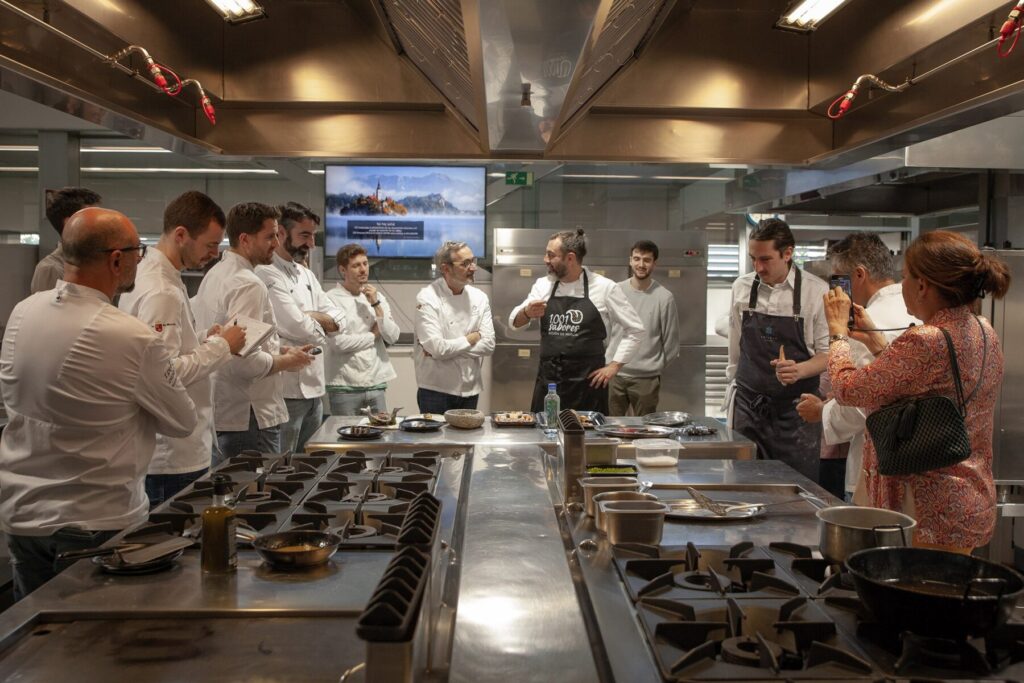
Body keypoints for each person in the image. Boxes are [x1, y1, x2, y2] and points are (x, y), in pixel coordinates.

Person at [0, 208, 197, 599]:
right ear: (116, 259)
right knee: (95, 650)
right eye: (137, 252)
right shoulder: (130, 337)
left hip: (22, 518)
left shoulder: (25, 311)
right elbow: (182, 421)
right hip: (96, 521)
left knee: (35, 650)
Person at [824, 231, 1008, 553]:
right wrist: (876, 343)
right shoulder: (984, 329)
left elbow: (848, 390)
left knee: (919, 599)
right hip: (969, 497)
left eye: (906, 277)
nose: (903, 285)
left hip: (925, 507)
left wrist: (838, 334)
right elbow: (928, 387)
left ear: (922, 285)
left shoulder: (927, 339)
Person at [119, 192, 246, 506]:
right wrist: (221, 346)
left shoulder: (157, 278)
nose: (215, 254)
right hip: (171, 455)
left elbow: (158, 352)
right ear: (180, 235)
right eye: (210, 245)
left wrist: (202, 337)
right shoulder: (161, 291)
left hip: (173, 446)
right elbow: (166, 372)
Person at [795, 233, 919, 501]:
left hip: (878, 469)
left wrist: (822, 412)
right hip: (921, 464)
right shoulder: (915, 312)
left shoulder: (866, 321)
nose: (837, 289)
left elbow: (861, 404)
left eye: (840, 278)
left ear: (859, 275)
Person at [192, 202, 315, 460]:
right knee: (258, 495)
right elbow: (244, 361)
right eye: (270, 236)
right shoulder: (248, 284)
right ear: (245, 240)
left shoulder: (215, 274)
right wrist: (287, 361)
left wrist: (279, 349)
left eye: (277, 235)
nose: (276, 243)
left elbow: (234, 341)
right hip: (251, 414)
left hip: (225, 411)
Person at [726, 218, 829, 482]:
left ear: (787, 253)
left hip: (796, 412)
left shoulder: (816, 292)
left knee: (796, 489)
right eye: (753, 259)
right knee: (745, 483)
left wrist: (800, 370)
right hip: (749, 407)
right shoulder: (741, 287)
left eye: (765, 259)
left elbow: (829, 353)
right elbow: (736, 347)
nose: (758, 267)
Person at [509, 229, 645, 413]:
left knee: (587, 439)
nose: (545, 260)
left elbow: (635, 330)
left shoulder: (605, 287)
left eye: (551, 255)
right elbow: (515, 323)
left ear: (570, 258)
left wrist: (614, 366)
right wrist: (526, 312)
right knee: (544, 435)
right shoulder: (543, 285)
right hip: (549, 382)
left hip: (587, 386)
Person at [256, 202, 346, 453]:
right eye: (304, 236)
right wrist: (321, 323)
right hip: (286, 391)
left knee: (309, 463)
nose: (311, 244)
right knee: (283, 466)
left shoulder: (306, 274)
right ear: (281, 234)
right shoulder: (266, 272)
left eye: (313, 236)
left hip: (315, 390)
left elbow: (340, 317)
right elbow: (298, 326)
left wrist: (311, 318)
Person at [413, 241, 495, 413]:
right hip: (436, 390)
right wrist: (471, 338)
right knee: (435, 440)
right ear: (446, 269)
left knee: (466, 440)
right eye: (465, 264)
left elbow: (489, 345)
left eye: (473, 261)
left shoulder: (480, 297)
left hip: (471, 390)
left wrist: (445, 349)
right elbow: (438, 348)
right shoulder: (427, 298)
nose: (473, 268)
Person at [325, 244, 401, 415]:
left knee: (379, 437)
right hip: (344, 385)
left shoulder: (377, 296)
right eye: (356, 265)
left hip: (376, 383)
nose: (363, 269)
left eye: (365, 264)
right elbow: (339, 344)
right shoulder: (330, 299)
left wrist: (375, 304)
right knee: (346, 439)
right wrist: (373, 335)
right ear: (343, 270)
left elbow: (393, 335)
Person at [607, 239, 680, 416]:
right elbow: (606, 330)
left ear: (654, 263)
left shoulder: (664, 297)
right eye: (637, 259)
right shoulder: (615, 291)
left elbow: (671, 343)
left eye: (646, 260)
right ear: (630, 260)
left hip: (646, 380)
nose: (641, 264)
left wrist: (653, 367)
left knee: (645, 433)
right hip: (614, 375)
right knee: (610, 429)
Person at [31, 187, 101, 293]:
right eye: (93, 218)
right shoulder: (50, 269)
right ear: (71, 223)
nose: (102, 224)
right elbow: (49, 309)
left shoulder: (95, 262)